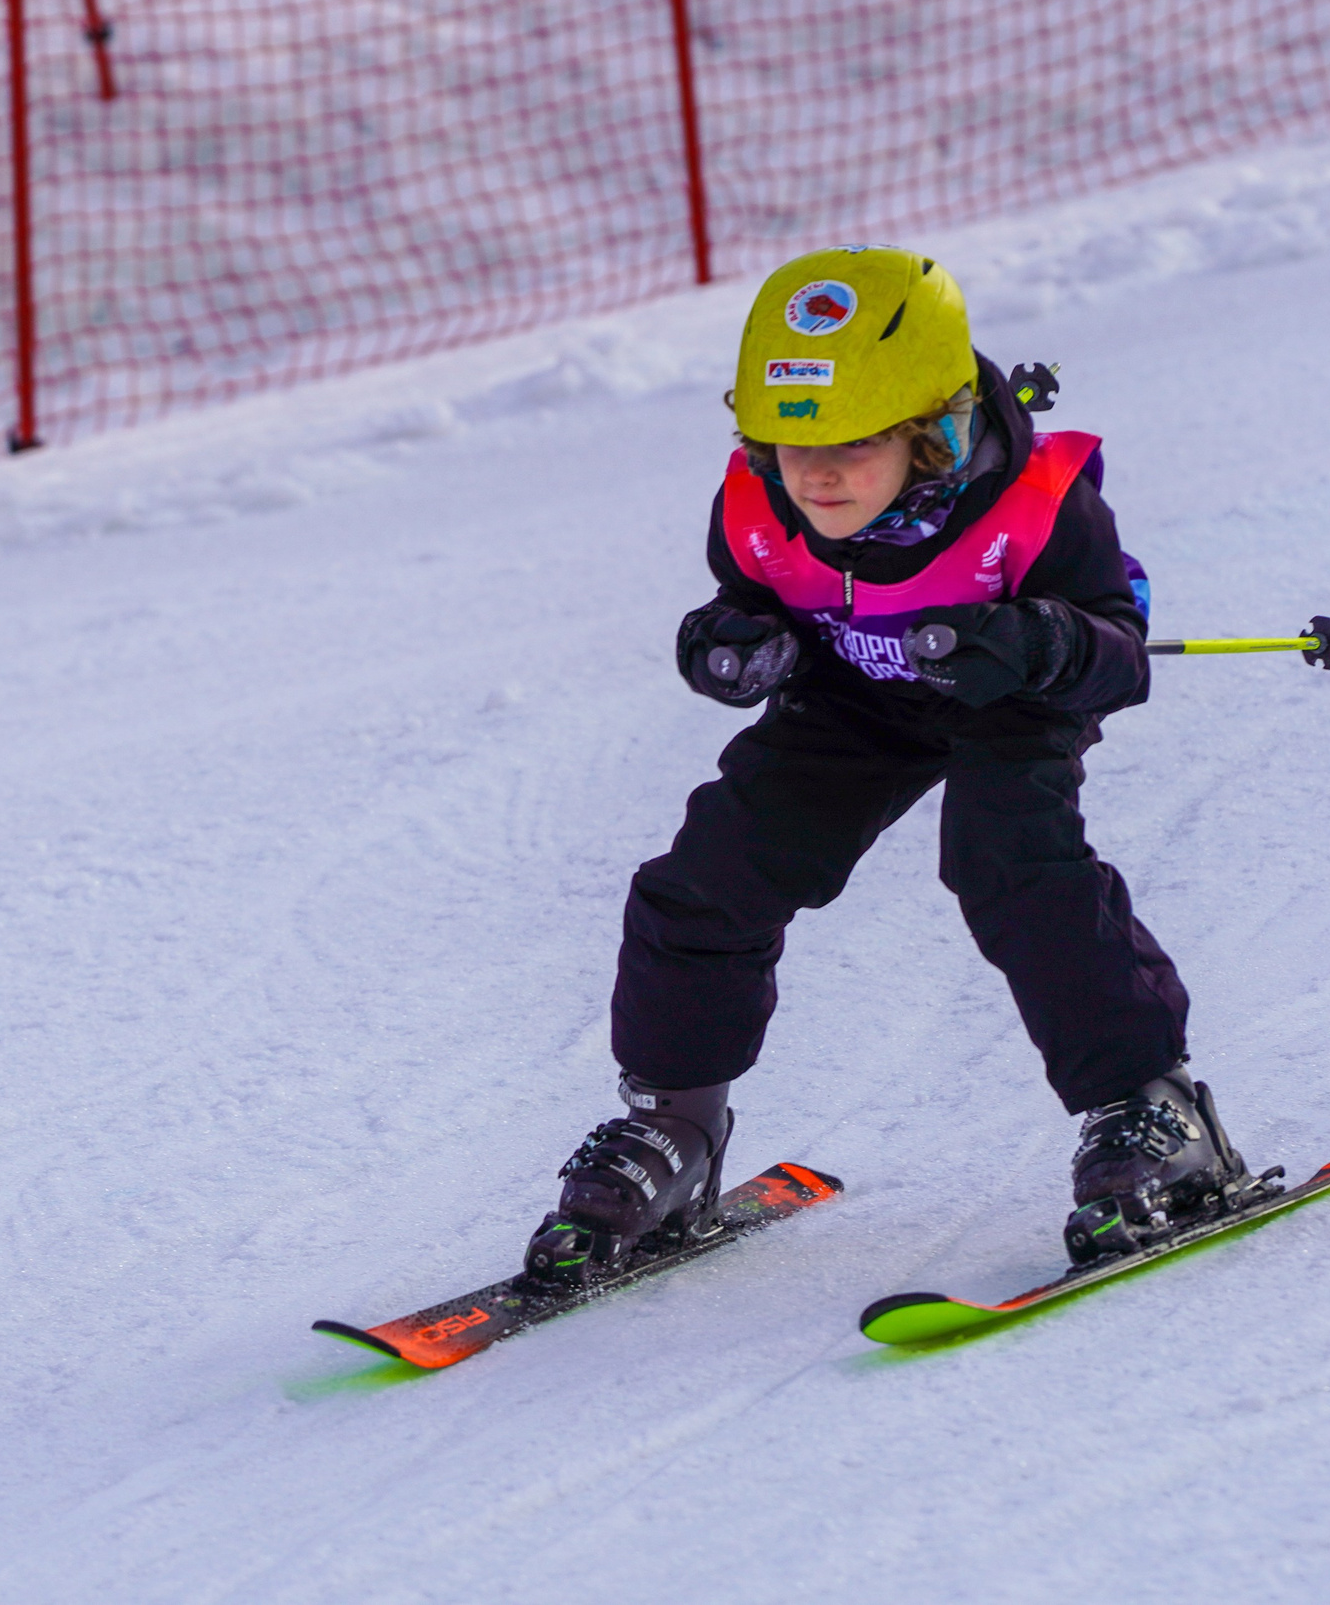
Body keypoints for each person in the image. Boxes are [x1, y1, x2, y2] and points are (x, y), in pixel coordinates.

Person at [524, 245, 1249, 1284]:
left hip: (1012, 698)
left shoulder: (1036, 505)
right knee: (710, 873)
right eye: (785, 442)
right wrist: (729, 643)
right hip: (853, 699)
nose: (813, 475)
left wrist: (1041, 641)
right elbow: (752, 600)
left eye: (854, 445)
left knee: (1011, 863)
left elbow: (1119, 657)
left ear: (930, 431)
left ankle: (1151, 1108)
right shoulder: (763, 499)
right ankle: (675, 1129)